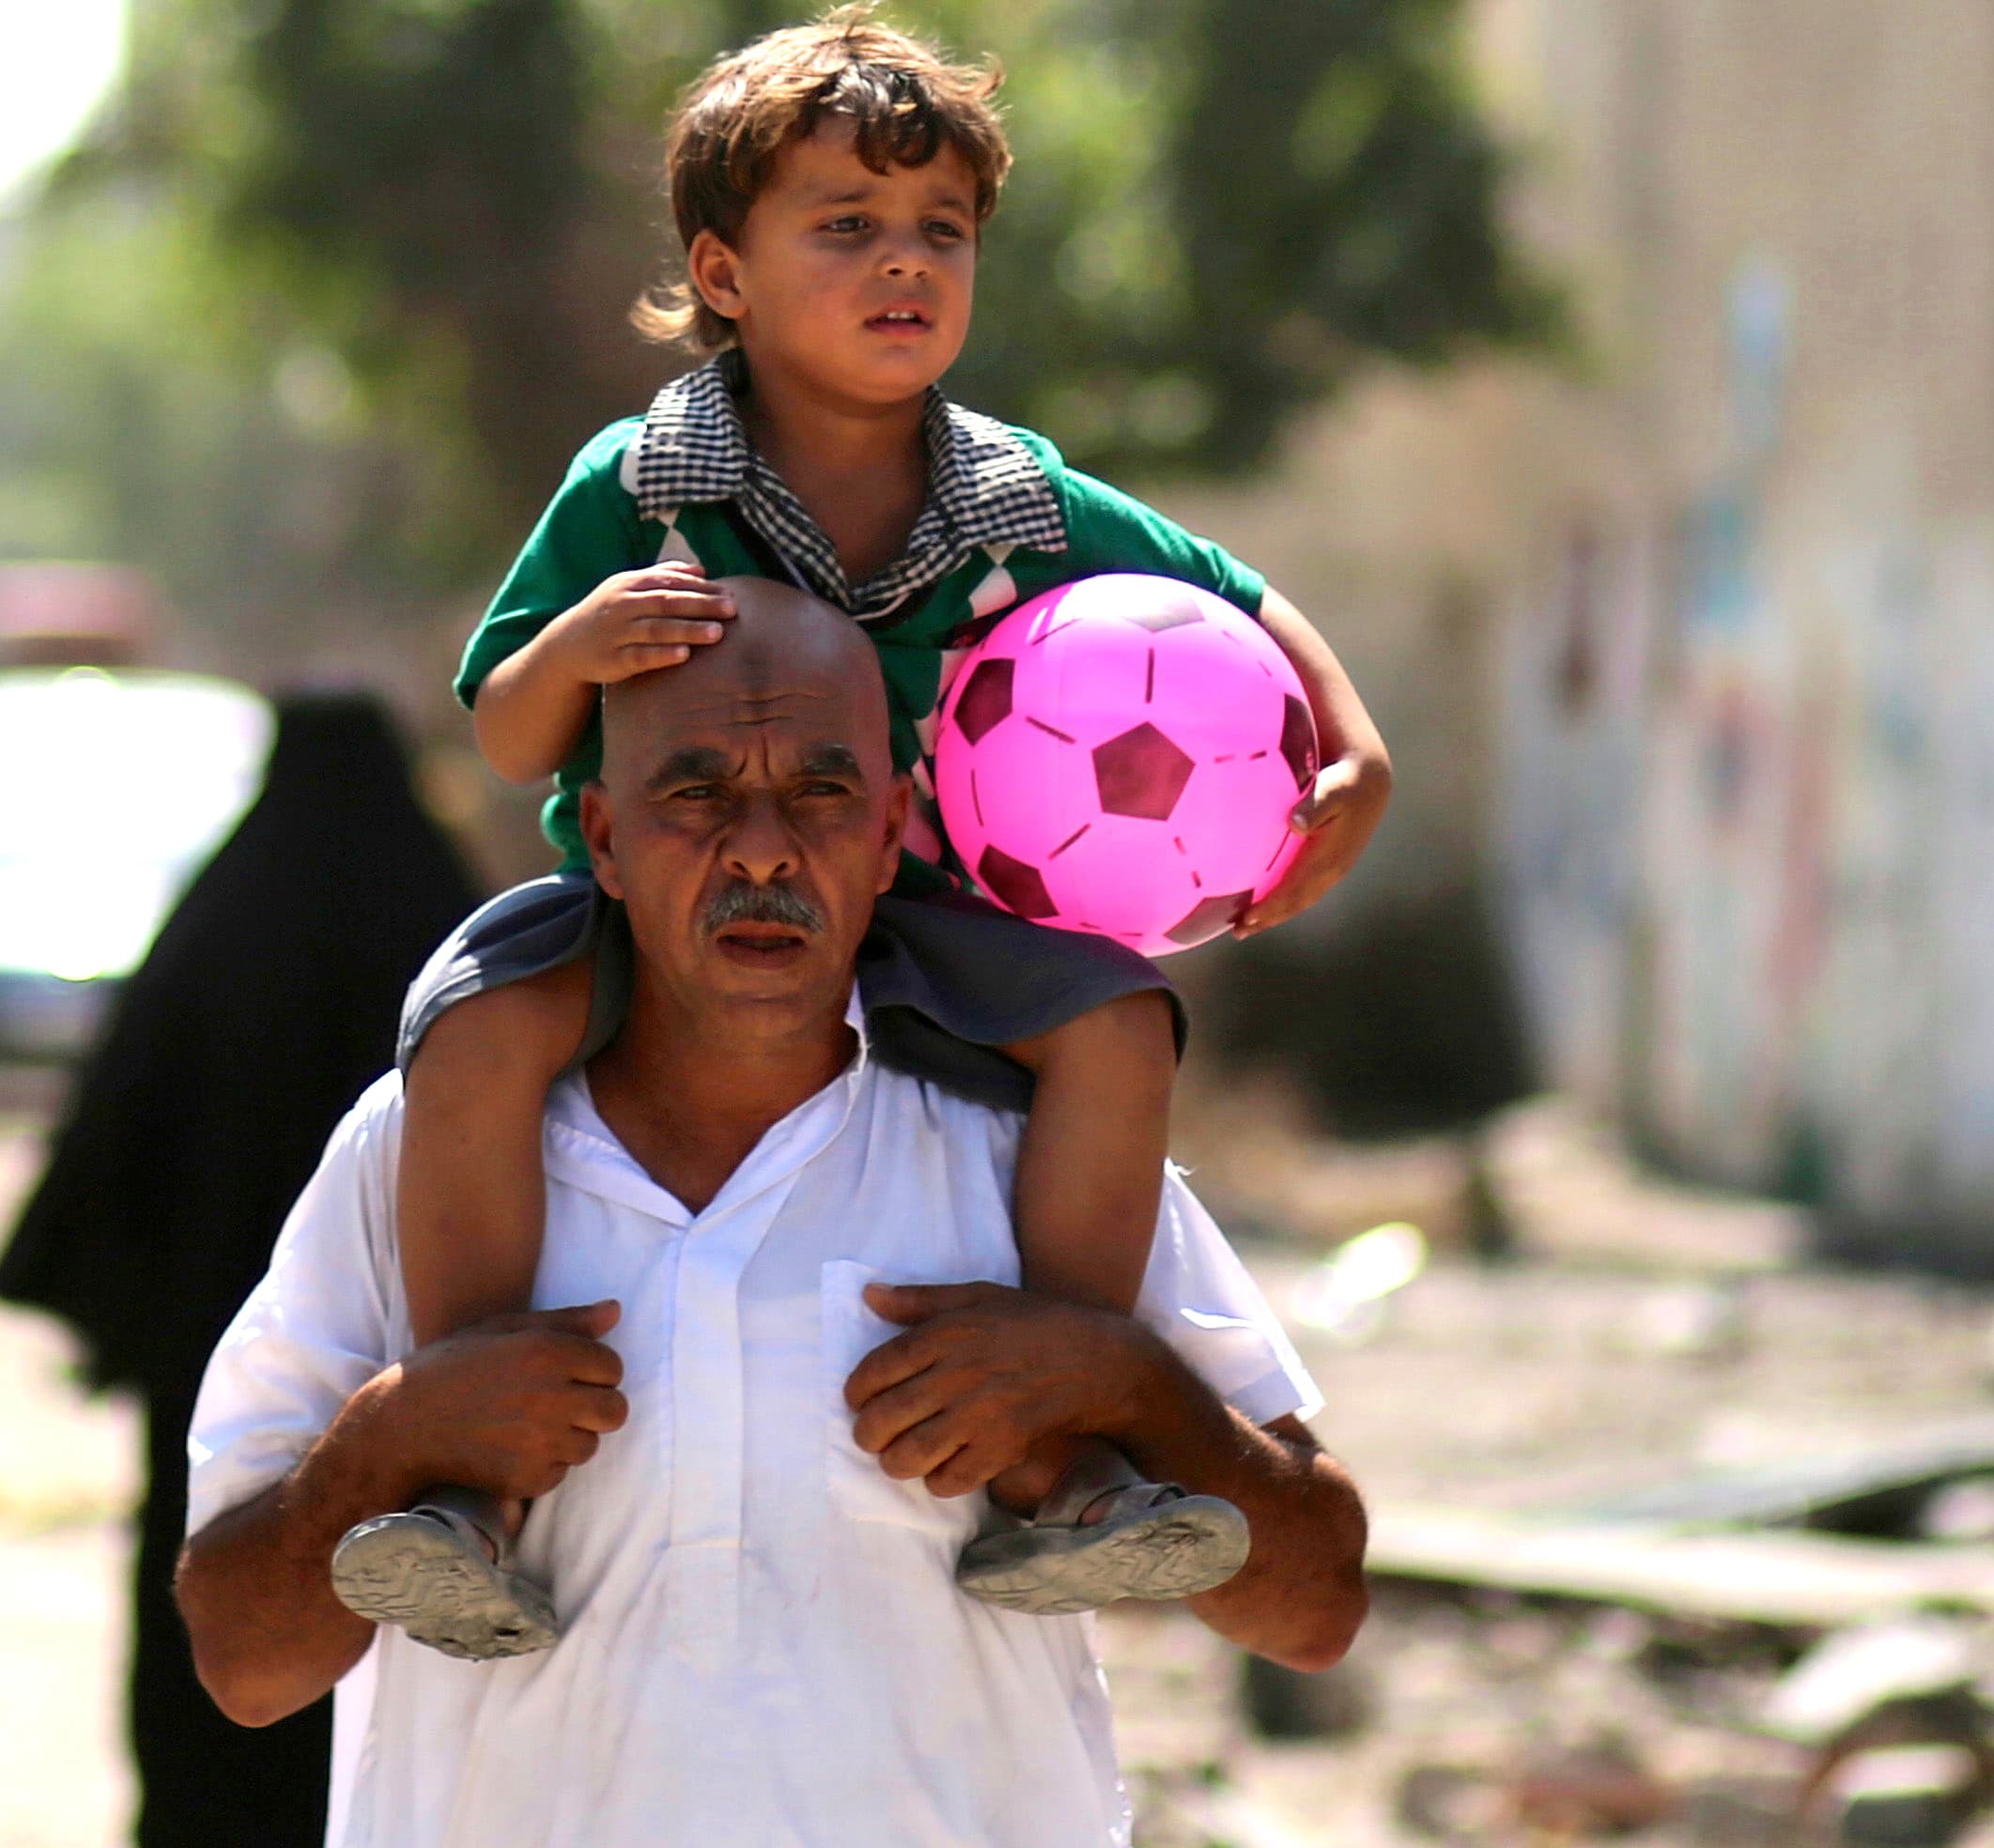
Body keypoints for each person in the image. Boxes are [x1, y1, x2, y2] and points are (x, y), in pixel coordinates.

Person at [346, 1, 1393, 1657]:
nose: (905, 263)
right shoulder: (640, 479)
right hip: (660, 922)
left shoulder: (1017, 499)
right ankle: (466, 1489)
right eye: (847, 226)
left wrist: (1352, 749)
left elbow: (1236, 596)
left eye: (942, 231)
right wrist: (579, 648)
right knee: (474, 1029)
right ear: (725, 273)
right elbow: (505, 727)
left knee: (1119, 1026)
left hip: (928, 928)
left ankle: (1065, 1469)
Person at [176, 593, 1368, 1845]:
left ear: (894, 829)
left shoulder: (1025, 1149)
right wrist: (394, 1442)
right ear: (604, 839)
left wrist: (1126, 1389)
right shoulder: (420, 1151)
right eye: (694, 795)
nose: (760, 851)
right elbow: (242, 1665)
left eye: (821, 794)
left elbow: (1318, 1606)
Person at [0, 692, 481, 1848]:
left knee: (219, 1632)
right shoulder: (447, 936)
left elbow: (115, 1135)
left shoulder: (216, 929)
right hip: (421, 1386)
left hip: (207, 1374)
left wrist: (128, 1329)